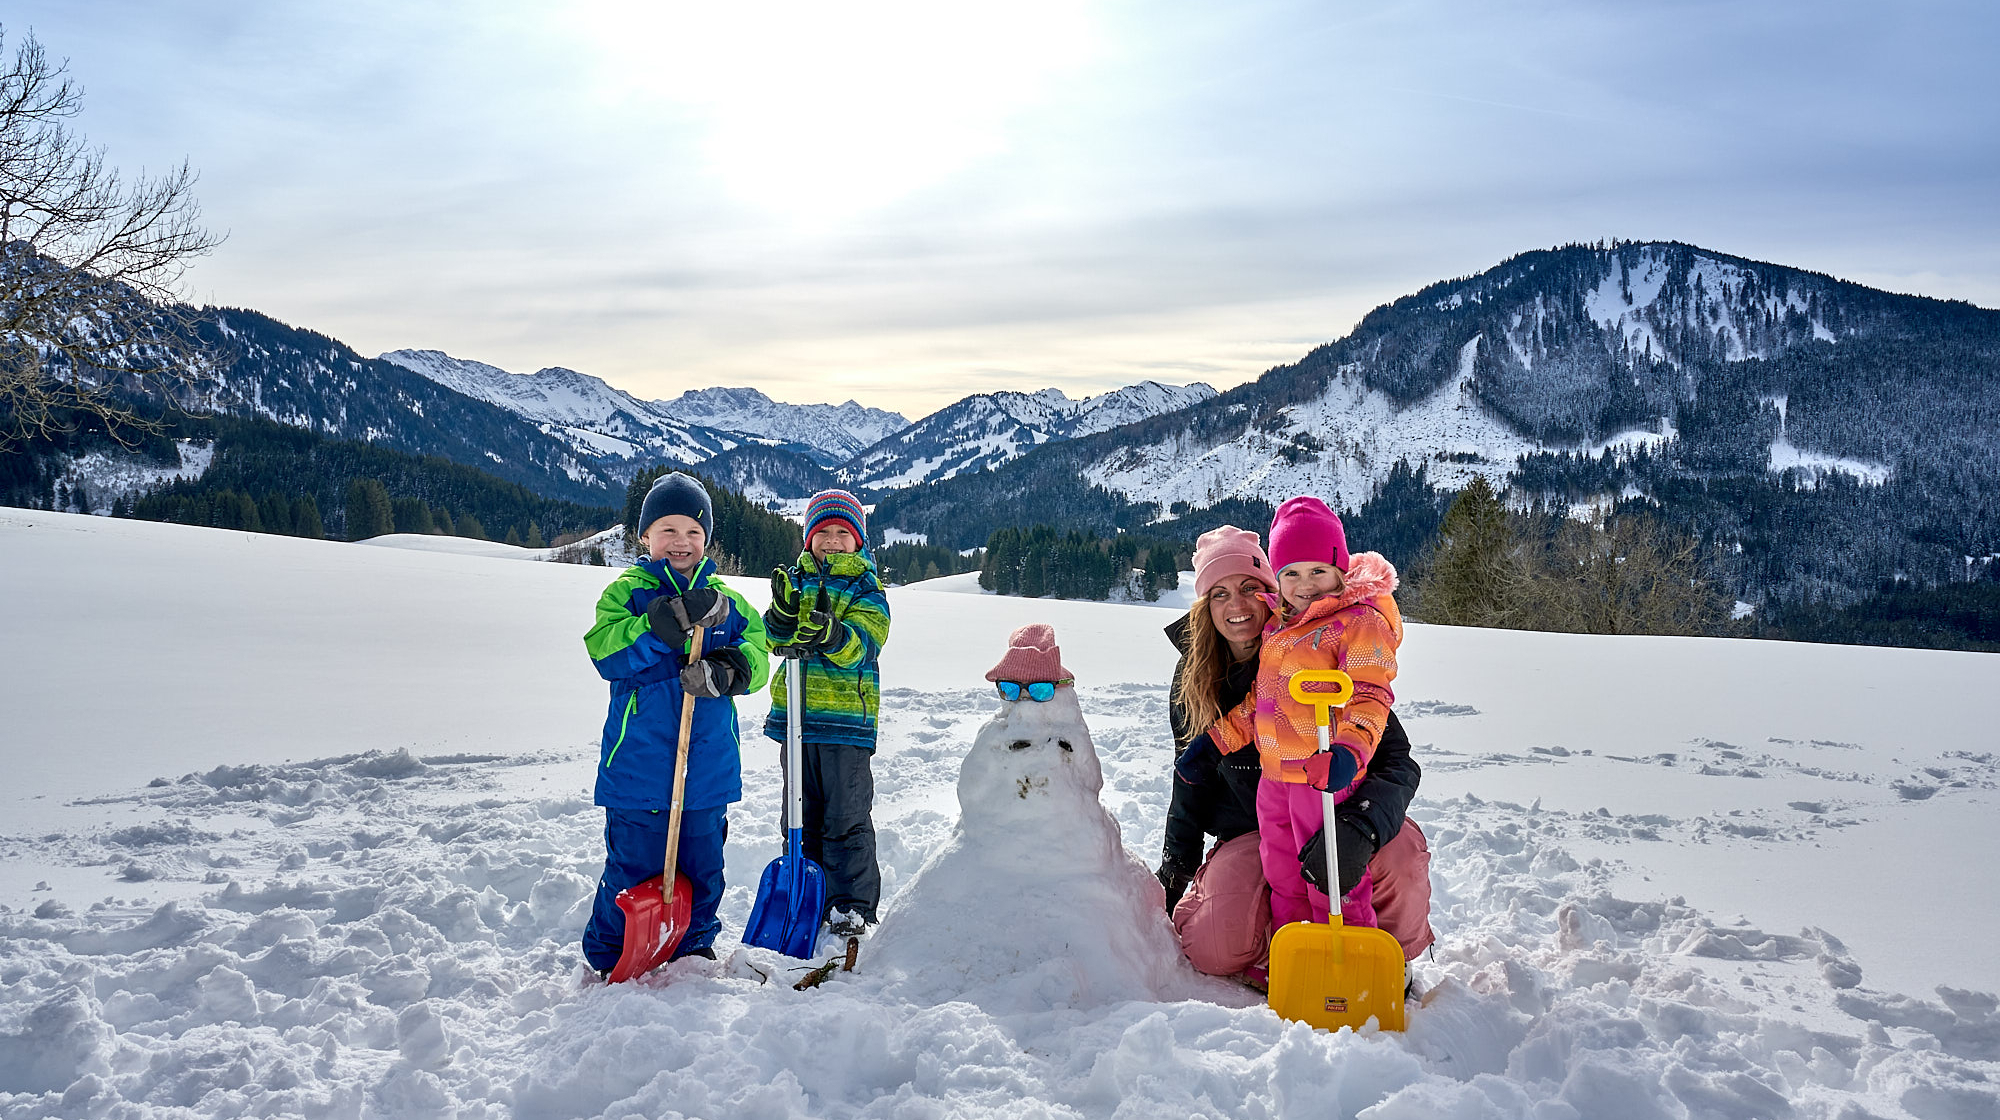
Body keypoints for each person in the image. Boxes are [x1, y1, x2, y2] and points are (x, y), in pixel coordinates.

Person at [1158, 525, 1433, 979]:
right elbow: (1190, 786)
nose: (1238, 605)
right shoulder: (1196, 678)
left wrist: (1361, 827)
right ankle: (1290, 954)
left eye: (1250, 587)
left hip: (1336, 806)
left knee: (1381, 866)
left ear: (1271, 591)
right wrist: (1173, 876)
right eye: (1220, 594)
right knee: (1213, 945)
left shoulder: (1325, 645)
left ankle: (1378, 960)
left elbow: (1394, 756)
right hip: (1257, 828)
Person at [581, 473, 770, 973]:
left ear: (706, 539)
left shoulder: (725, 601)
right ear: (644, 536)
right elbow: (605, 652)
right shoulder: (627, 594)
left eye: (692, 531)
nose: (680, 542)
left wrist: (728, 671)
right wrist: (657, 626)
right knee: (634, 864)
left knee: (704, 864)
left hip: (706, 766)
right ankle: (609, 950)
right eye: (667, 530)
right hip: (638, 765)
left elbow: (758, 652)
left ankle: (694, 945)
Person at [762, 488, 892, 938]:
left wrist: (832, 633)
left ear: (858, 540)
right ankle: (805, 897)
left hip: (844, 725)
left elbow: (863, 646)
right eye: (823, 533)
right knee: (799, 816)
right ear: (808, 537)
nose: (832, 541)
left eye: (842, 532)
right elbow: (773, 640)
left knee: (846, 817)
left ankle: (851, 906)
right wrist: (780, 619)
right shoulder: (794, 581)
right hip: (796, 720)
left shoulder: (866, 589)